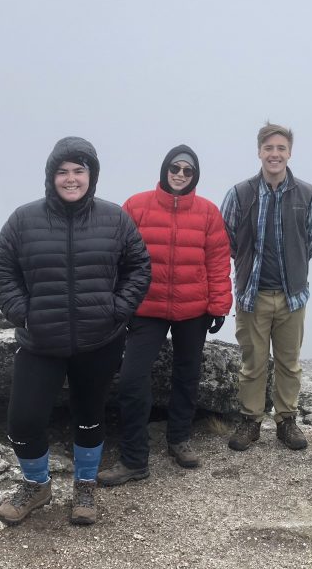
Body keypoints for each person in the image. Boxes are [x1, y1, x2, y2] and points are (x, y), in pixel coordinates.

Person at [0, 136, 152, 526]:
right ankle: (36, 484)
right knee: (23, 419)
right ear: (51, 176)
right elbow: (0, 270)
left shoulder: (114, 218)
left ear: (91, 176)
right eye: (63, 171)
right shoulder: (24, 219)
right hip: (40, 342)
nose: (71, 178)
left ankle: (85, 485)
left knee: (89, 416)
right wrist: (21, 312)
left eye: (79, 170)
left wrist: (118, 309)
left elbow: (138, 267)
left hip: (99, 340)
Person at [98, 145, 232, 486]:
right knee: (131, 380)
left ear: (195, 176)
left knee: (187, 375)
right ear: (164, 169)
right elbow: (118, 256)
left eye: (189, 171)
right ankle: (133, 459)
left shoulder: (207, 212)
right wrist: (120, 301)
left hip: (193, 308)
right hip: (147, 307)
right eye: (175, 167)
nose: (181, 174)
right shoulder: (137, 205)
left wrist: (219, 305)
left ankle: (178, 439)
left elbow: (217, 260)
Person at [220, 122, 312, 452]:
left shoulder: (306, 193)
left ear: (289, 153)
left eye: (281, 148)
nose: (275, 154)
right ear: (259, 152)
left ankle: (286, 421)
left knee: (289, 363)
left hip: (292, 295)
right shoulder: (240, 193)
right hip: (252, 295)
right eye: (269, 148)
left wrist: (296, 262)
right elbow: (226, 237)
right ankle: (250, 420)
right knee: (253, 363)